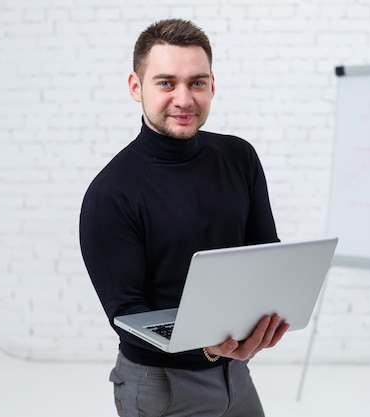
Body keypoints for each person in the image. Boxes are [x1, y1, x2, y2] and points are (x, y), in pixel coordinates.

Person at [79, 18, 289, 417]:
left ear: (212, 84)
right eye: (165, 83)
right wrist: (206, 345)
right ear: (135, 87)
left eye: (196, 82)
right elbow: (127, 315)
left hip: (235, 373)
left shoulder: (239, 157)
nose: (184, 98)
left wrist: (265, 320)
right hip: (160, 386)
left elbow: (265, 256)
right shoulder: (111, 193)